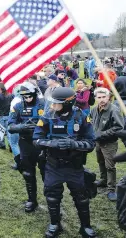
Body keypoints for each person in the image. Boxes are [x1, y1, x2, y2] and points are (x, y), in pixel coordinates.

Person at [33, 87, 97, 237]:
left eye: (57, 104)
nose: (53, 107)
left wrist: (74, 144)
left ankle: (85, 226)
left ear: (68, 103)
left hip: (74, 166)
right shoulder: (47, 116)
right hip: (53, 164)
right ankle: (55, 224)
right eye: (52, 103)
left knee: (81, 197)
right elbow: (36, 140)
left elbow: (91, 143)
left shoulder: (81, 117)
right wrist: (52, 144)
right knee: (52, 196)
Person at [8, 82, 45, 212]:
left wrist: (40, 127)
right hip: (26, 143)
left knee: (47, 172)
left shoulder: (44, 104)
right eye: (25, 96)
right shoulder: (18, 106)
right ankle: (32, 200)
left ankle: (53, 202)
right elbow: (10, 126)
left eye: (30, 96)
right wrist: (22, 127)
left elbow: (54, 121)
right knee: (28, 173)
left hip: (42, 143)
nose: (28, 98)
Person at [90, 87, 124, 201]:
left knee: (110, 166)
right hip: (98, 142)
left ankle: (111, 189)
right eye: (99, 97)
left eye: (104, 97)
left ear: (108, 97)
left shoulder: (114, 110)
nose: (102, 99)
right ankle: (104, 180)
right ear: (95, 98)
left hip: (109, 143)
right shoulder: (94, 109)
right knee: (100, 161)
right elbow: (91, 122)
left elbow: (119, 127)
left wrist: (101, 134)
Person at [0, 83, 14, 149]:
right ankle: (10, 145)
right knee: (9, 132)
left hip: (0, 115)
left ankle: (2, 144)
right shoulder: (11, 95)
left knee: (1, 131)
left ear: (1, 88)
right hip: (8, 115)